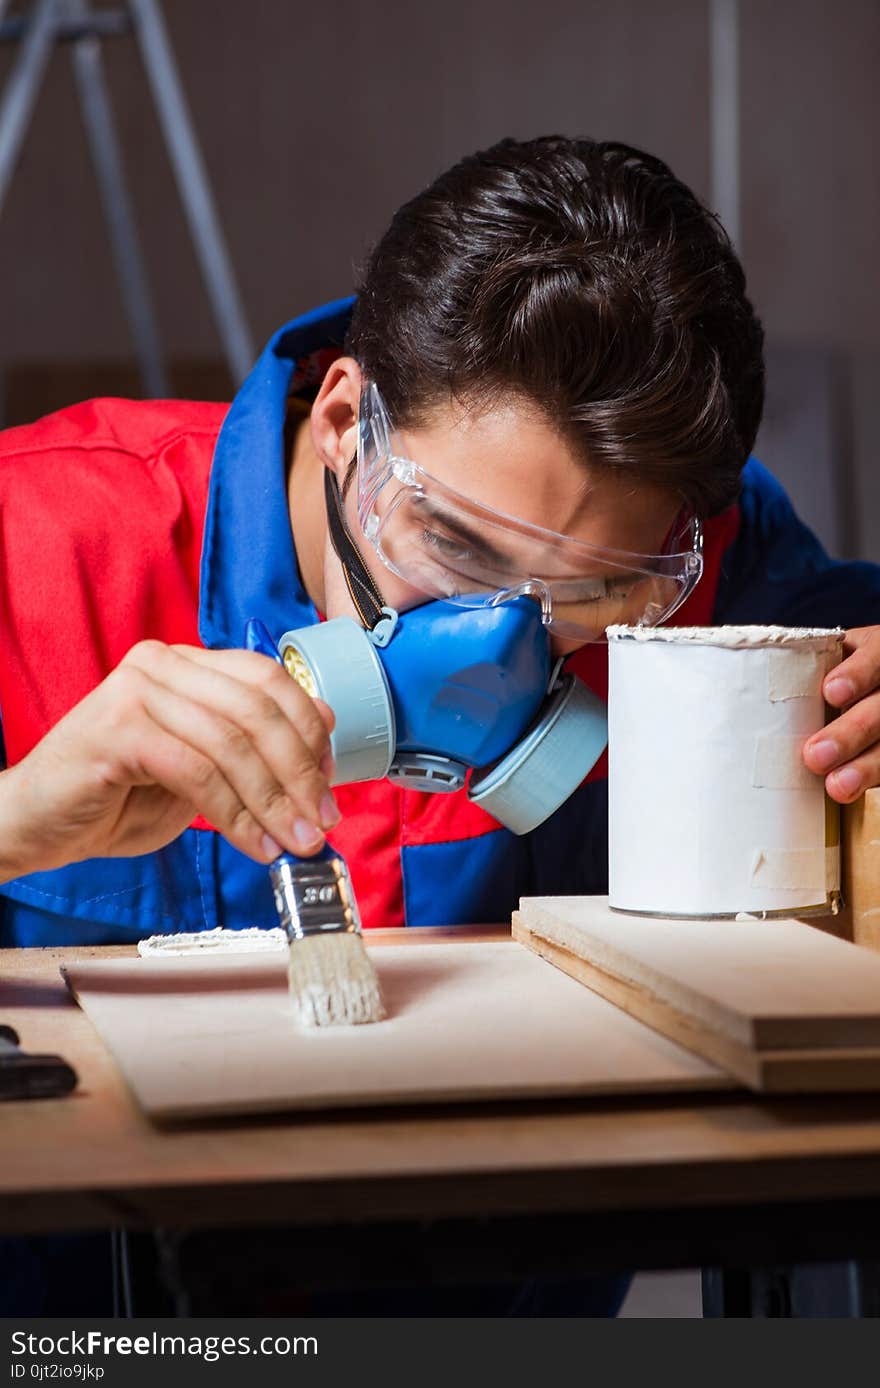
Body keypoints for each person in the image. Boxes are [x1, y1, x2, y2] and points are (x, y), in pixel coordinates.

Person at [2, 135, 879, 1315]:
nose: (502, 647)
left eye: (584, 596)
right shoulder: (36, 544)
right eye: (456, 549)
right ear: (343, 419)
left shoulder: (714, 567)